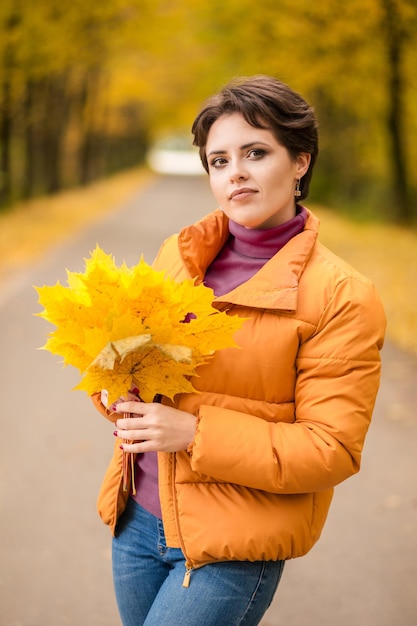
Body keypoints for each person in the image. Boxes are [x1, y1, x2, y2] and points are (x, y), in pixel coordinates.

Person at [92, 75, 386, 625]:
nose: (236, 174)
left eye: (256, 153)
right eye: (219, 160)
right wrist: (115, 391)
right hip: (137, 522)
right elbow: (139, 374)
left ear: (300, 162)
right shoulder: (178, 257)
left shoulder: (342, 296)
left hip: (234, 544)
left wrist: (194, 433)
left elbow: (331, 449)